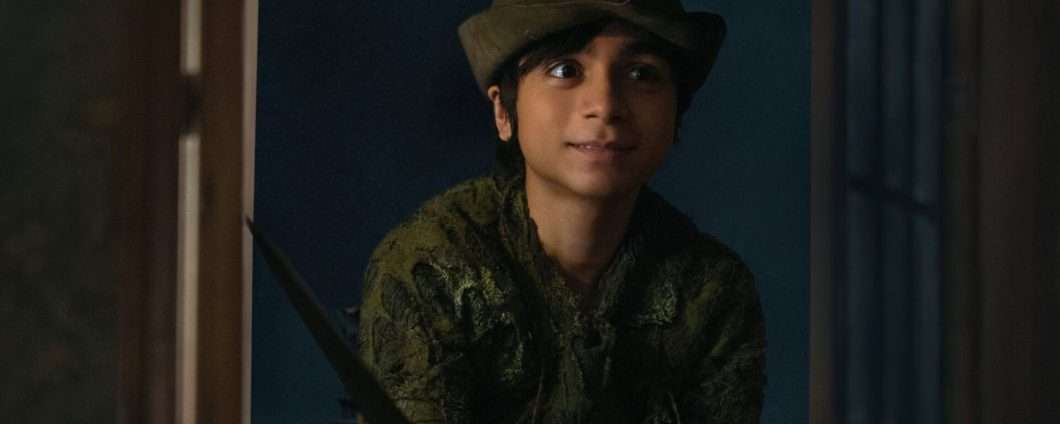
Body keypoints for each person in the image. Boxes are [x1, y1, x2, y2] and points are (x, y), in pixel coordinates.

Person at [358, 1, 766, 422]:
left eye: (641, 73)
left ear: (676, 109)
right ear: (503, 111)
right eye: (565, 70)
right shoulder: (431, 269)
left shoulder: (712, 291)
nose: (605, 105)